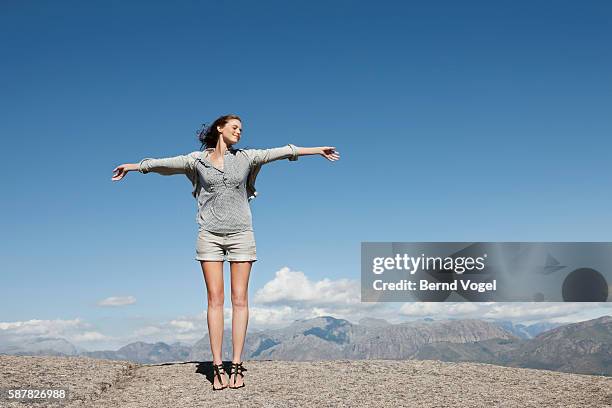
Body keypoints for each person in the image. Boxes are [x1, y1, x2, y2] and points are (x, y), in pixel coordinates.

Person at [111, 114, 339, 390]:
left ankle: (237, 365)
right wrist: (136, 167)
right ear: (220, 129)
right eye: (235, 127)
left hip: (242, 235)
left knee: (240, 300)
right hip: (209, 236)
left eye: (242, 129)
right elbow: (164, 165)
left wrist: (317, 151)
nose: (239, 132)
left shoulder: (246, 157)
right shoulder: (196, 160)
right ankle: (217, 366)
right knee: (215, 300)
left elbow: (283, 151)